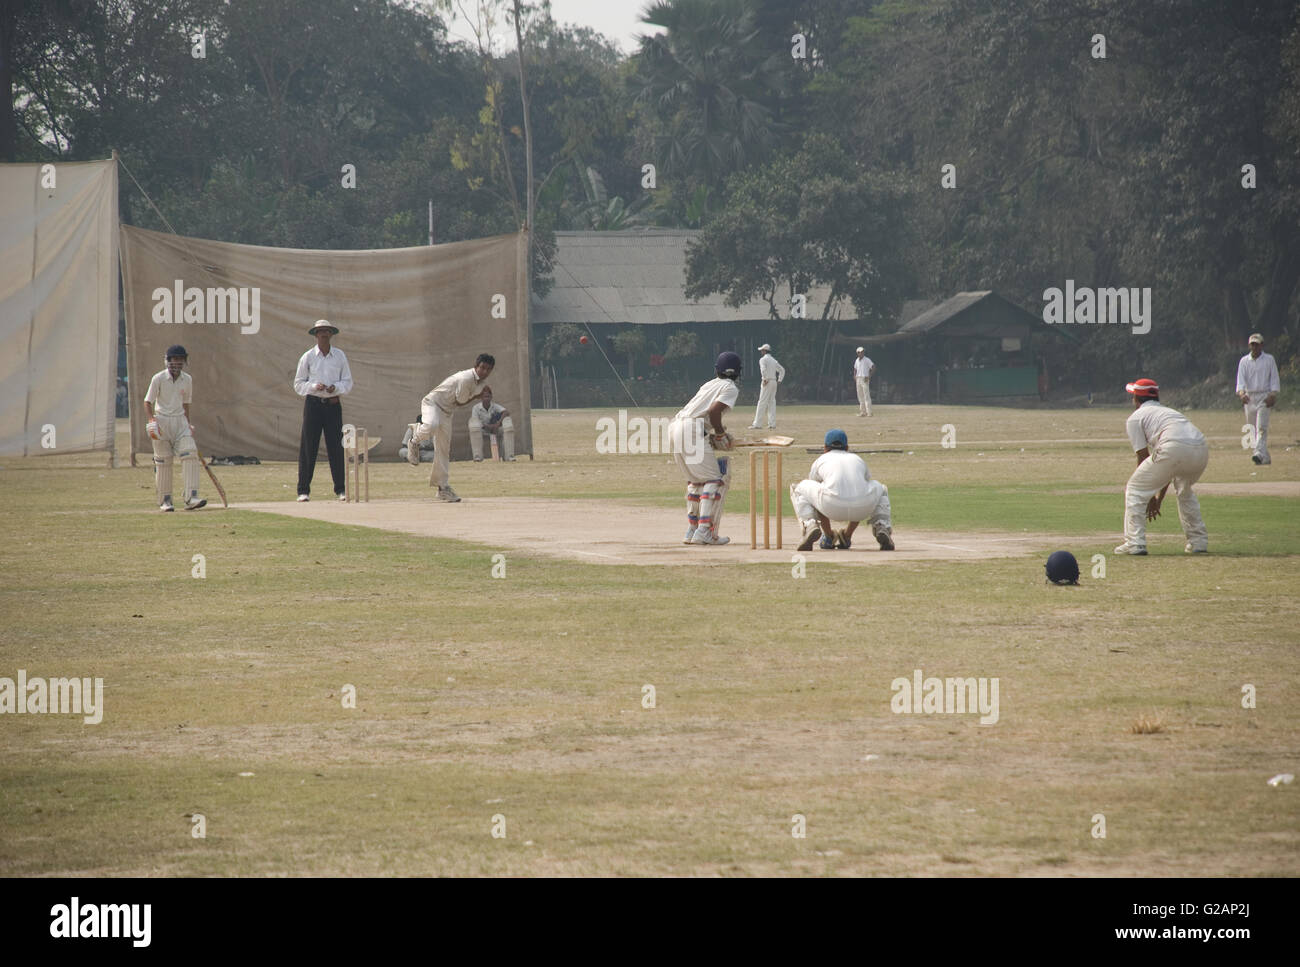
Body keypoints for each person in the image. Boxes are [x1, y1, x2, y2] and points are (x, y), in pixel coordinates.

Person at [1114, 378, 1209, 555]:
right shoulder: (1169, 413)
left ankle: (1135, 543)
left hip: (1173, 448)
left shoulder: (1135, 418)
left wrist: (1152, 495)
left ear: (1136, 398)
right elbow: (1167, 469)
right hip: (1200, 449)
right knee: (1184, 490)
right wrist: (1157, 498)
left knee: (1135, 489)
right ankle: (1198, 541)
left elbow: (1143, 457)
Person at [670, 352, 741, 545]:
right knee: (714, 480)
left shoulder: (709, 384)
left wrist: (713, 433)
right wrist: (719, 434)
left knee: (695, 480)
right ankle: (703, 531)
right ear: (738, 372)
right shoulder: (730, 387)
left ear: (717, 369)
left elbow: (703, 412)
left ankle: (692, 530)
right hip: (692, 429)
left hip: (676, 426)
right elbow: (713, 411)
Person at [408, 353, 494, 502]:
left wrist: (479, 393)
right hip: (432, 403)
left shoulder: (480, 384)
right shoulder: (466, 378)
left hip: (447, 412)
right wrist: (476, 397)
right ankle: (414, 439)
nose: (485, 371)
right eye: (482, 368)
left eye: (488, 369)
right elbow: (460, 402)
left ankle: (442, 488)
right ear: (476, 366)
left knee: (443, 450)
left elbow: (457, 403)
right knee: (431, 425)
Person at [791, 429, 893, 551]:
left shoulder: (821, 459)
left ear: (825, 448)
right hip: (862, 507)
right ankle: (881, 526)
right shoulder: (857, 459)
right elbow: (863, 486)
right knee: (879, 488)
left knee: (800, 488)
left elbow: (814, 492)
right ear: (847, 447)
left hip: (829, 505)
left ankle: (811, 525)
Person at [293, 320, 353, 502]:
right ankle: (303, 490)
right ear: (315, 335)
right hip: (313, 405)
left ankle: (341, 489)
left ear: (331, 334)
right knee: (308, 447)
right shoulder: (308, 357)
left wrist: (336, 387)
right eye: (320, 332)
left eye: (326, 331)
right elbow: (298, 384)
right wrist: (313, 387)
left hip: (332, 405)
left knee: (336, 447)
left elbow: (348, 382)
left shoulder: (340, 356)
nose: (324, 334)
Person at [143, 345, 206, 512]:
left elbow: (186, 403)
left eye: (180, 359)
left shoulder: (188, 379)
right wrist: (151, 420)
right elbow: (147, 401)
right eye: (174, 359)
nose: (177, 362)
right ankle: (165, 500)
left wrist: (188, 423)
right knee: (163, 461)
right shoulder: (158, 378)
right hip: (161, 422)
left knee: (190, 453)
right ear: (168, 360)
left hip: (180, 422)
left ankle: (191, 497)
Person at [1236, 332, 1280, 465]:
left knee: (1262, 426)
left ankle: (1258, 453)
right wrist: (1242, 394)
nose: (1254, 348)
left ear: (1262, 345)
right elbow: (1240, 381)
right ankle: (1264, 457)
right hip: (1249, 397)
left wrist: (1272, 395)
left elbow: (1274, 379)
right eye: (1252, 345)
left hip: (1264, 396)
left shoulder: (1269, 360)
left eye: (1257, 345)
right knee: (1251, 428)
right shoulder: (1244, 361)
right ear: (1249, 346)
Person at [468, 387, 515, 461]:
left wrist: (498, 424)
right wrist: (488, 426)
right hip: (482, 430)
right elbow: (475, 420)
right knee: (473, 424)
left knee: (508, 422)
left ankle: (509, 456)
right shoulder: (476, 408)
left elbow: (506, 412)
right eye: (485, 397)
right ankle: (477, 457)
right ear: (481, 397)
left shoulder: (494, 406)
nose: (486, 399)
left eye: (488, 397)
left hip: (495, 429)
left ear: (491, 397)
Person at [748, 343, 785, 430]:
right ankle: (772, 424)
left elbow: (763, 369)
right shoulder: (773, 360)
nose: (761, 352)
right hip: (773, 381)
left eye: (762, 350)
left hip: (767, 381)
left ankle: (757, 424)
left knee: (762, 402)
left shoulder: (763, 360)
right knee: (772, 402)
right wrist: (779, 380)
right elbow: (782, 370)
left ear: (764, 351)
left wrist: (765, 379)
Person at [853, 347, 876, 417]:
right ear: (857, 353)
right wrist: (854, 376)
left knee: (866, 396)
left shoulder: (867, 359)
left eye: (862, 351)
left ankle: (869, 412)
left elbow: (873, 367)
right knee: (860, 396)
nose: (862, 353)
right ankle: (863, 412)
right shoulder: (857, 360)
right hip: (858, 378)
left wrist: (869, 376)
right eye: (860, 352)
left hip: (864, 378)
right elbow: (855, 368)